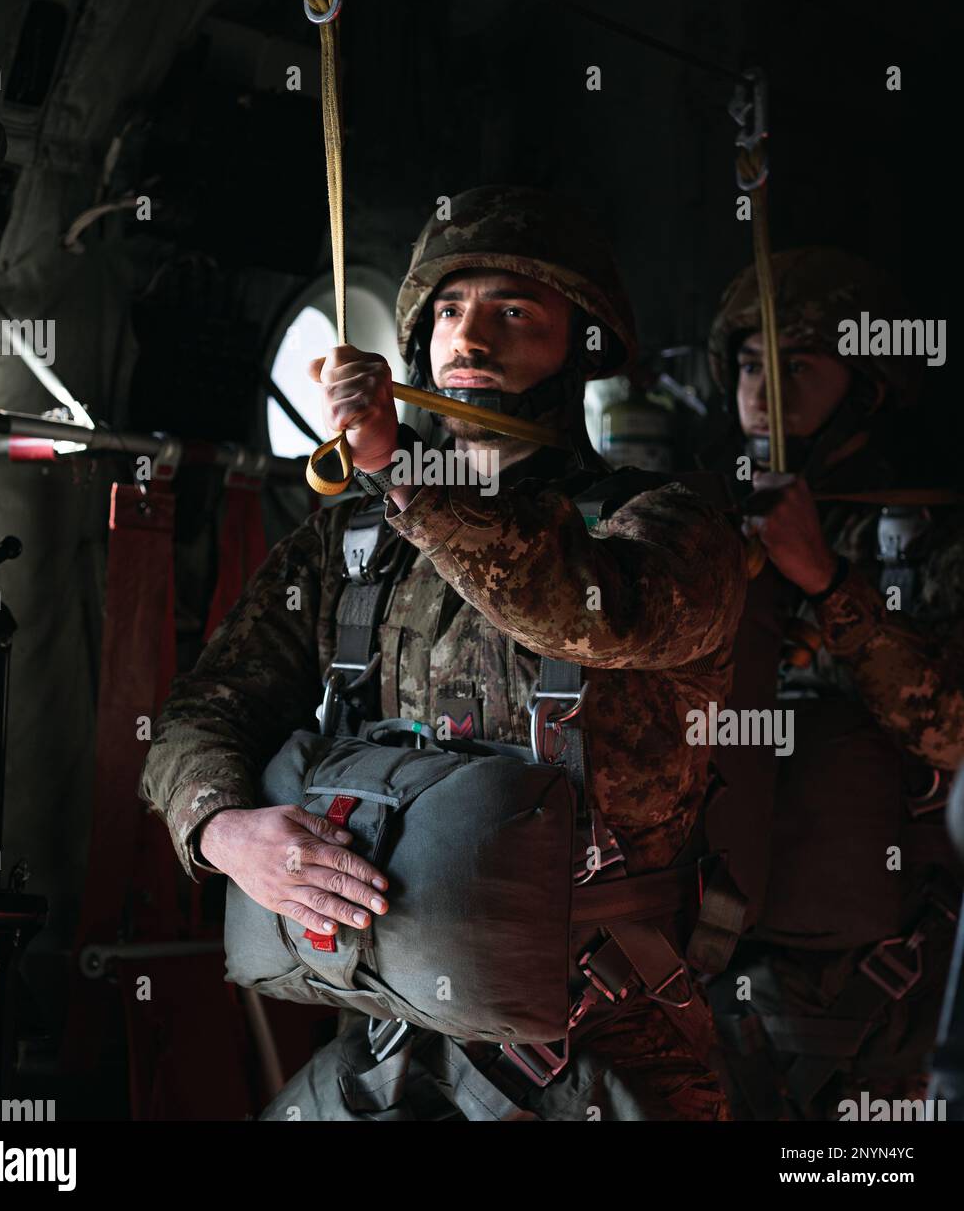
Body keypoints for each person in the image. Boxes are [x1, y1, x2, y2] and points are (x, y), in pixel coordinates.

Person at [139, 185, 747, 1120]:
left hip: (611, 1037)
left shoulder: (667, 520)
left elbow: (598, 614)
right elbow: (203, 711)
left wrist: (401, 474)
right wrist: (223, 830)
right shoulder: (348, 542)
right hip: (387, 1033)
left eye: (514, 313)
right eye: (450, 312)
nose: (469, 341)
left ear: (582, 348)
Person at [703, 246, 964, 1120]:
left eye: (797, 367)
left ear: (868, 386)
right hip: (723, 941)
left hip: (890, 956)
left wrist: (826, 586)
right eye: (749, 365)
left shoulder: (932, 539)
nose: (763, 390)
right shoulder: (700, 533)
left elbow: (955, 736)